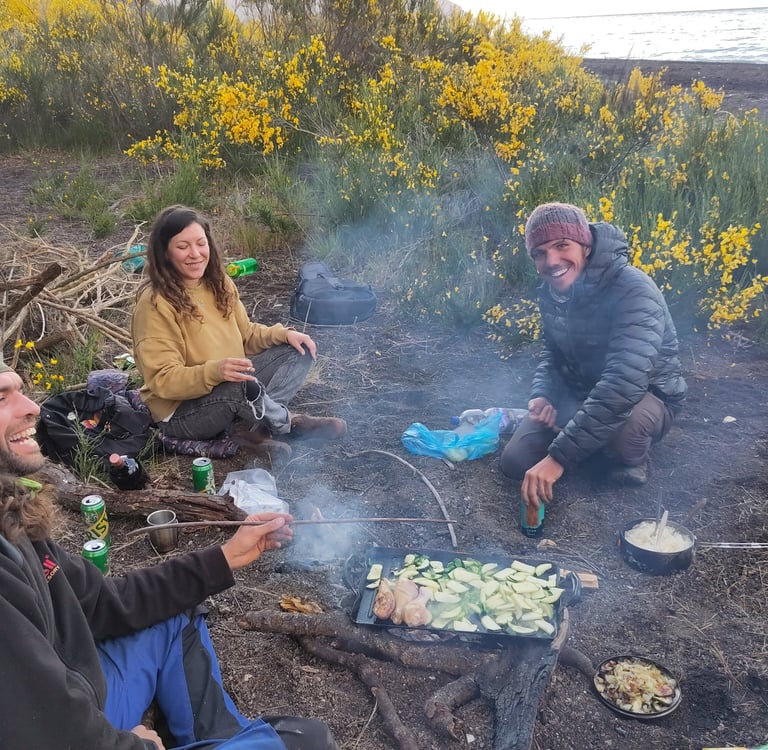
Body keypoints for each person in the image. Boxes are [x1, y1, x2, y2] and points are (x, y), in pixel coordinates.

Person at [0, 360, 339, 749]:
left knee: (176, 609)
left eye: (20, 390)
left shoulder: (12, 514)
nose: (32, 406)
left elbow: (102, 603)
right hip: (68, 728)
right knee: (309, 741)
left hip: (79, 688)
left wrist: (225, 557)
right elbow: (39, 727)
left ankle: (221, 738)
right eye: (1, 398)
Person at [500, 202, 687, 511]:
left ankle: (630, 457)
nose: (552, 261)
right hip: (583, 392)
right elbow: (552, 353)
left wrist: (558, 458)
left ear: (585, 245)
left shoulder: (633, 289)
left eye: (562, 245)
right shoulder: (552, 292)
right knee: (515, 460)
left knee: (623, 437)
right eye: (540, 253)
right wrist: (542, 394)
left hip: (644, 396)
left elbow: (623, 384)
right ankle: (587, 442)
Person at [131, 205, 346, 457]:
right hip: (181, 413)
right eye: (182, 246)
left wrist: (284, 334)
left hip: (227, 386)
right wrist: (215, 372)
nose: (195, 254)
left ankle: (260, 430)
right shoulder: (155, 304)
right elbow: (163, 380)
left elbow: (246, 335)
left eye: (201, 243)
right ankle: (289, 424)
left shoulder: (218, 283)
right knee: (239, 385)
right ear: (165, 252)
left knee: (298, 350)